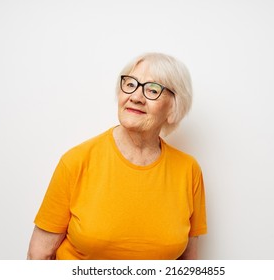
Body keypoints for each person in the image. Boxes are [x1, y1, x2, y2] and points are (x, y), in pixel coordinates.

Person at [27, 52, 207, 260]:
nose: (136, 97)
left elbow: (189, 266)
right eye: (130, 85)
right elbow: (38, 255)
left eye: (152, 90)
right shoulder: (76, 161)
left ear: (174, 105)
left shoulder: (188, 170)